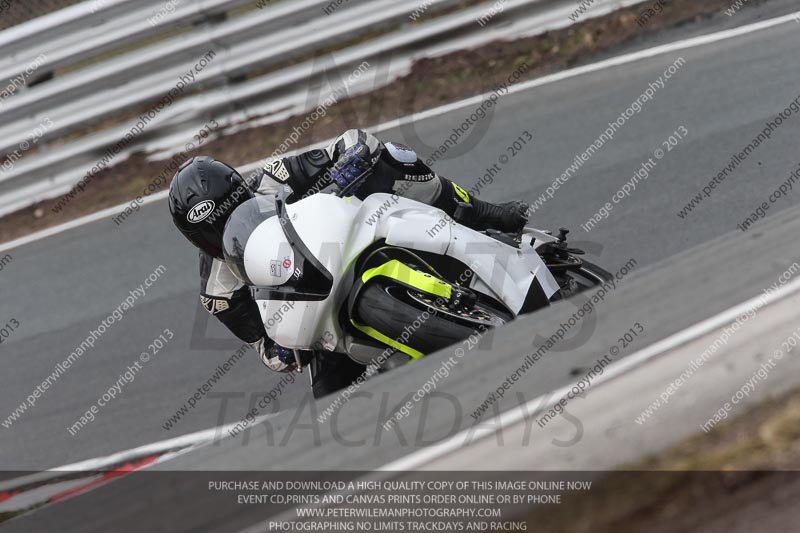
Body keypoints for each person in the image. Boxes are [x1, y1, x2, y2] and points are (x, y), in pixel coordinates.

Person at [168, 129, 529, 373]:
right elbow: (263, 346)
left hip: (350, 238)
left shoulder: (274, 179)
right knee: (327, 398)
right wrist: (282, 352)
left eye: (232, 214)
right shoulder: (217, 292)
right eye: (213, 233)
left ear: (242, 192)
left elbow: (350, 142)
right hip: (318, 322)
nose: (228, 232)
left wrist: (351, 159)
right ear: (194, 240)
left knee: (390, 156)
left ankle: (478, 211)